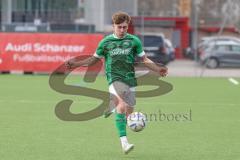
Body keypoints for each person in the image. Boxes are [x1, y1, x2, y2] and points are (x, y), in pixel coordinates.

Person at [65, 11, 168, 154]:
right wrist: (77, 63)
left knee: (129, 114)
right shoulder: (106, 42)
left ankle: (111, 107)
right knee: (122, 105)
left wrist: (158, 69)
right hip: (114, 78)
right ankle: (124, 143)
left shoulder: (134, 41)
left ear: (128, 26)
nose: (122, 30)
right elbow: (94, 59)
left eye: (124, 27)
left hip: (130, 79)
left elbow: (144, 59)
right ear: (113, 26)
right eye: (119, 27)